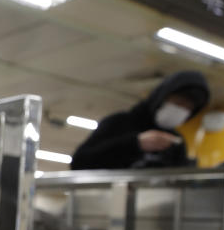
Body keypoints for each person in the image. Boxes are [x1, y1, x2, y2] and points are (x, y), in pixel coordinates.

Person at [71, 71, 210, 170]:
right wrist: (135, 144)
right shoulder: (118, 123)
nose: (182, 110)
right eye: (179, 102)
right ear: (162, 97)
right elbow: (80, 162)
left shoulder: (176, 141)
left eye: (188, 108)